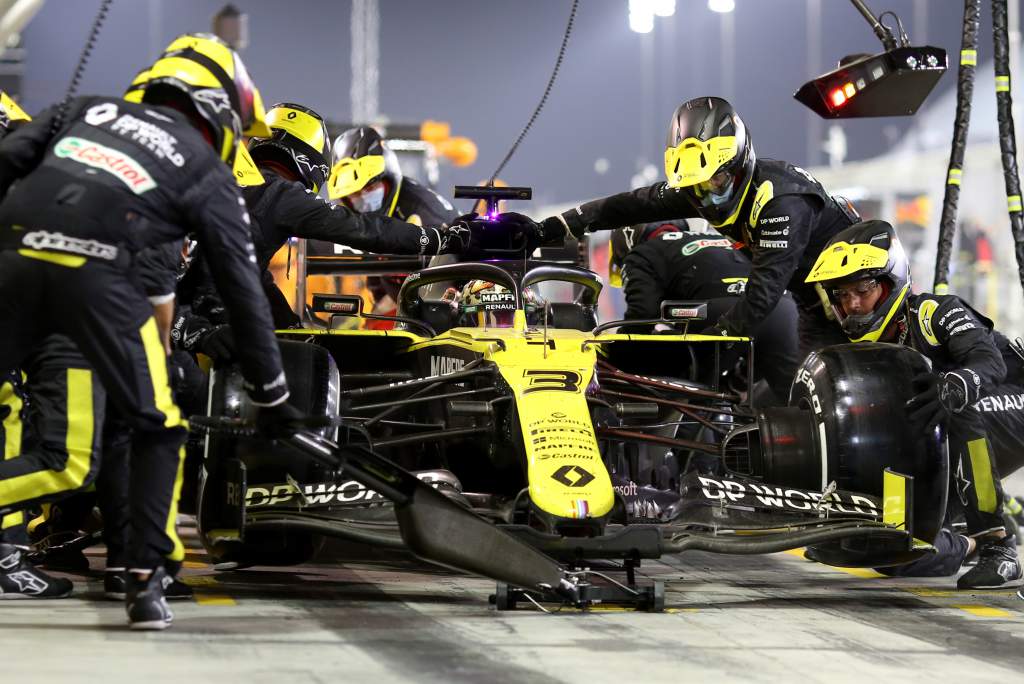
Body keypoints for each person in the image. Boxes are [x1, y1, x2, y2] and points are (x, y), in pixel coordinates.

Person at [0, 33, 300, 628]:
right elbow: (243, 291)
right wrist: (273, 393)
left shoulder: (82, 109)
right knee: (147, 430)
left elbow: (6, 163)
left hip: (10, 256)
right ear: (222, 107)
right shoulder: (205, 169)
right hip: (96, 279)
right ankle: (145, 578)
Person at [511, 96, 859, 356]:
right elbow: (628, 205)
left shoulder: (781, 201)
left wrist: (705, 346)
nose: (707, 196)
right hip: (813, 307)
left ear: (739, 163)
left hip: (865, 298)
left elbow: (762, 293)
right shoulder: (701, 188)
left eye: (716, 180)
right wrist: (550, 228)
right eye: (695, 187)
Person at [805, 219, 1024, 589]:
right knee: (889, 548)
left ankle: (997, 546)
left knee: (952, 404)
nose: (854, 304)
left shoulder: (933, 313)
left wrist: (955, 383)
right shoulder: (865, 349)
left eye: (863, 289)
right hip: (953, 434)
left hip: (1009, 400)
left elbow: (989, 363)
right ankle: (964, 541)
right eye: (843, 295)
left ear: (890, 283)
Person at [171, 104, 475, 357]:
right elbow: (361, 229)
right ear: (310, 158)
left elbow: (249, 271)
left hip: (161, 311)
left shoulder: (220, 175)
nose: (358, 200)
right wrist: (441, 239)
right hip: (172, 322)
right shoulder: (278, 194)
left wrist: (292, 329)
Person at [611, 220, 800, 404]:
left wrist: (617, 354)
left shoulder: (644, 252)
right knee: (799, 403)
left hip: (718, 313)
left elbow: (641, 315)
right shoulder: (724, 239)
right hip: (781, 309)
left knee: (692, 404)